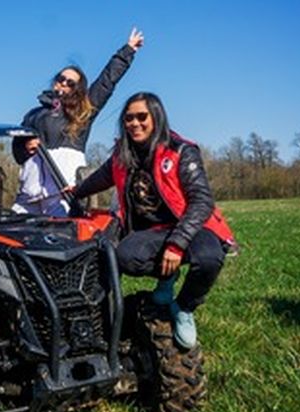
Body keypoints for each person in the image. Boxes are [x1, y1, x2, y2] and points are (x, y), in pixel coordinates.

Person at [68, 92, 236, 349]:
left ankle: (184, 307)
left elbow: (201, 201)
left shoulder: (181, 151)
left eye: (141, 117)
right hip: (153, 231)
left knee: (210, 258)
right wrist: (76, 191)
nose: (134, 123)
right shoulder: (122, 155)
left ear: (156, 117)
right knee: (123, 257)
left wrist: (177, 243)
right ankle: (166, 277)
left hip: (189, 225)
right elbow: (101, 178)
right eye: (128, 119)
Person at [12, 28, 144, 217]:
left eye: (71, 83)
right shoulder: (33, 114)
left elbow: (106, 82)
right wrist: (26, 148)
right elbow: (17, 151)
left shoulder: (83, 111)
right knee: (12, 234)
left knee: (59, 238)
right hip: (29, 192)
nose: (64, 84)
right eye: (61, 79)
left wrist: (128, 51)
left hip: (61, 190)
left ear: (78, 89)